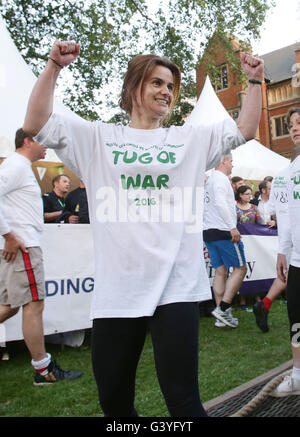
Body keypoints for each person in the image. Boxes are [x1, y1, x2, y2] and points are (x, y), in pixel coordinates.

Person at [23, 40, 263, 417]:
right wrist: (54, 65)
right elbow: (36, 123)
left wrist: (255, 81)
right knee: (115, 404)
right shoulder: (99, 138)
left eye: (170, 85)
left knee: (184, 403)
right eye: (156, 83)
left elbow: (246, 128)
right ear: (133, 87)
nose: (166, 91)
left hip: (177, 290)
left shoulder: (189, 139)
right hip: (119, 291)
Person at [0, 128, 82, 385]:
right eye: (42, 141)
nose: (47, 146)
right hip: (23, 246)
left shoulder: (19, 166)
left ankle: (42, 367)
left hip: (22, 244)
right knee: (34, 305)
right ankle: (42, 369)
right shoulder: (15, 166)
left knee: (10, 306)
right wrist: (9, 236)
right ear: (28, 141)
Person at [272, 107, 300, 397]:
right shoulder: (290, 170)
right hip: (298, 261)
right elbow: (289, 214)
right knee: (297, 319)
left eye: (299, 123)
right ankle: (298, 374)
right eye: (290, 124)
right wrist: (283, 251)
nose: (293, 128)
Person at [203, 154, 247, 328]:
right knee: (240, 268)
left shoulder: (211, 181)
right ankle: (223, 308)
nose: (232, 165)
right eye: (231, 161)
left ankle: (221, 316)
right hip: (222, 230)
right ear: (223, 161)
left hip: (209, 230)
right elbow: (221, 203)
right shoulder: (220, 180)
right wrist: (232, 227)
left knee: (220, 272)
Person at [252, 165, 290, 333]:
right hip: (291, 237)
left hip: (288, 236)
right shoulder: (283, 179)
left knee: (287, 274)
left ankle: (264, 305)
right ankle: (264, 305)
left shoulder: (281, 178)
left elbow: (275, 213)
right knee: (288, 273)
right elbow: (275, 213)